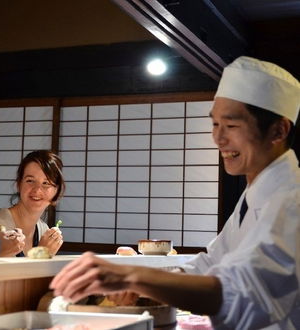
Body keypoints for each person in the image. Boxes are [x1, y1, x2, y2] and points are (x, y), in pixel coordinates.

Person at [50, 56, 300, 329]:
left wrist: (133, 276)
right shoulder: (253, 195)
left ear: (278, 130)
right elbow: (209, 264)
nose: (218, 138)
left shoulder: (292, 199)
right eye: (215, 124)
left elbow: (241, 293)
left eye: (231, 125)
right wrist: (145, 281)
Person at [0, 150, 65, 257]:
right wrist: (42, 253)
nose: (37, 190)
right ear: (19, 184)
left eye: (46, 183)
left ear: (57, 191)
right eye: (30, 180)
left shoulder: (43, 229)